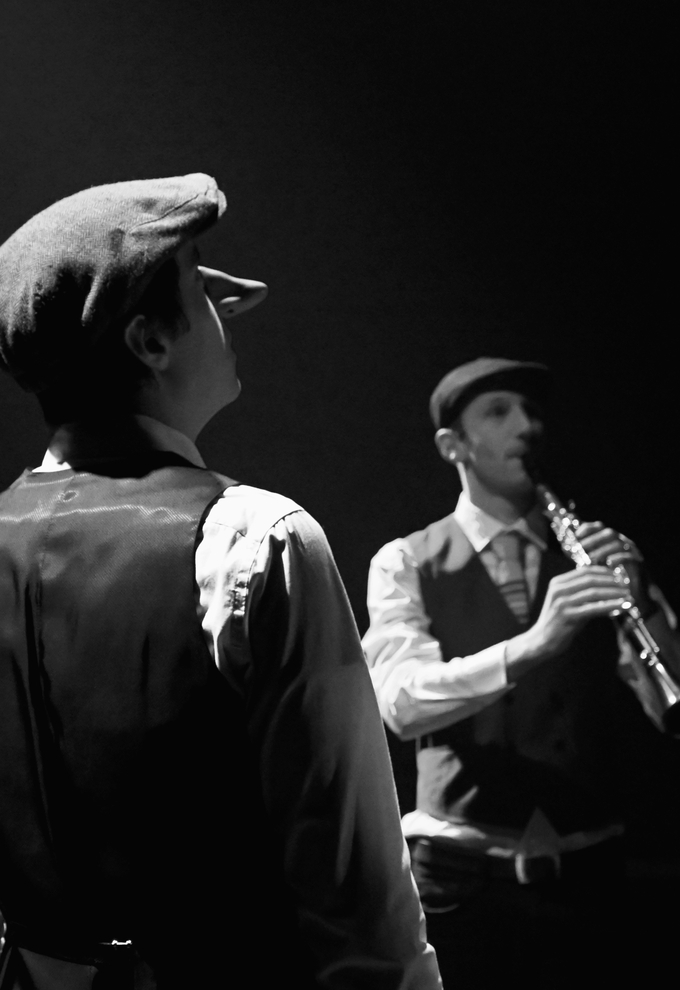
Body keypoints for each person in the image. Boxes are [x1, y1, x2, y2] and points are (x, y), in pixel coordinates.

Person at [0, 174, 442, 989]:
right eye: (200, 282)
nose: (226, 303)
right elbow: (360, 898)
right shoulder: (256, 538)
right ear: (150, 342)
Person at [362, 356, 680, 989]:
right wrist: (536, 644)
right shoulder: (404, 560)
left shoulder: (593, 554)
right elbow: (400, 705)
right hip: (462, 879)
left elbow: (678, 712)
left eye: (534, 412)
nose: (529, 426)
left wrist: (644, 601)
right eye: (500, 412)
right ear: (452, 445)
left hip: (590, 870)